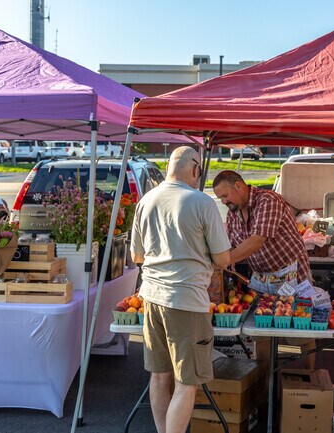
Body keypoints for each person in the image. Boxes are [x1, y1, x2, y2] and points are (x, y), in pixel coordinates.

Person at [130, 146, 231, 433]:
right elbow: (223, 259)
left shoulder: (146, 200)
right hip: (186, 299)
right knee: (187, 383)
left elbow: (136, 256)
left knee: (159, 377)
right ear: (196, 169)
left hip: (151, 296)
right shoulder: (202, 203)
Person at [212, 170, 315, 368]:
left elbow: (257, 240)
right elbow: (233, 244)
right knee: (261, 331)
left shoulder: (268, 200)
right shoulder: (233, 212)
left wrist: (223, 261)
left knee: (300, 330)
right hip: (261, 278)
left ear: (239, 186)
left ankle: (308, 379)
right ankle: (264, 383)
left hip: (291, 274)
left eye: (225, 196)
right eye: (220, 198)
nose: (223, 201)